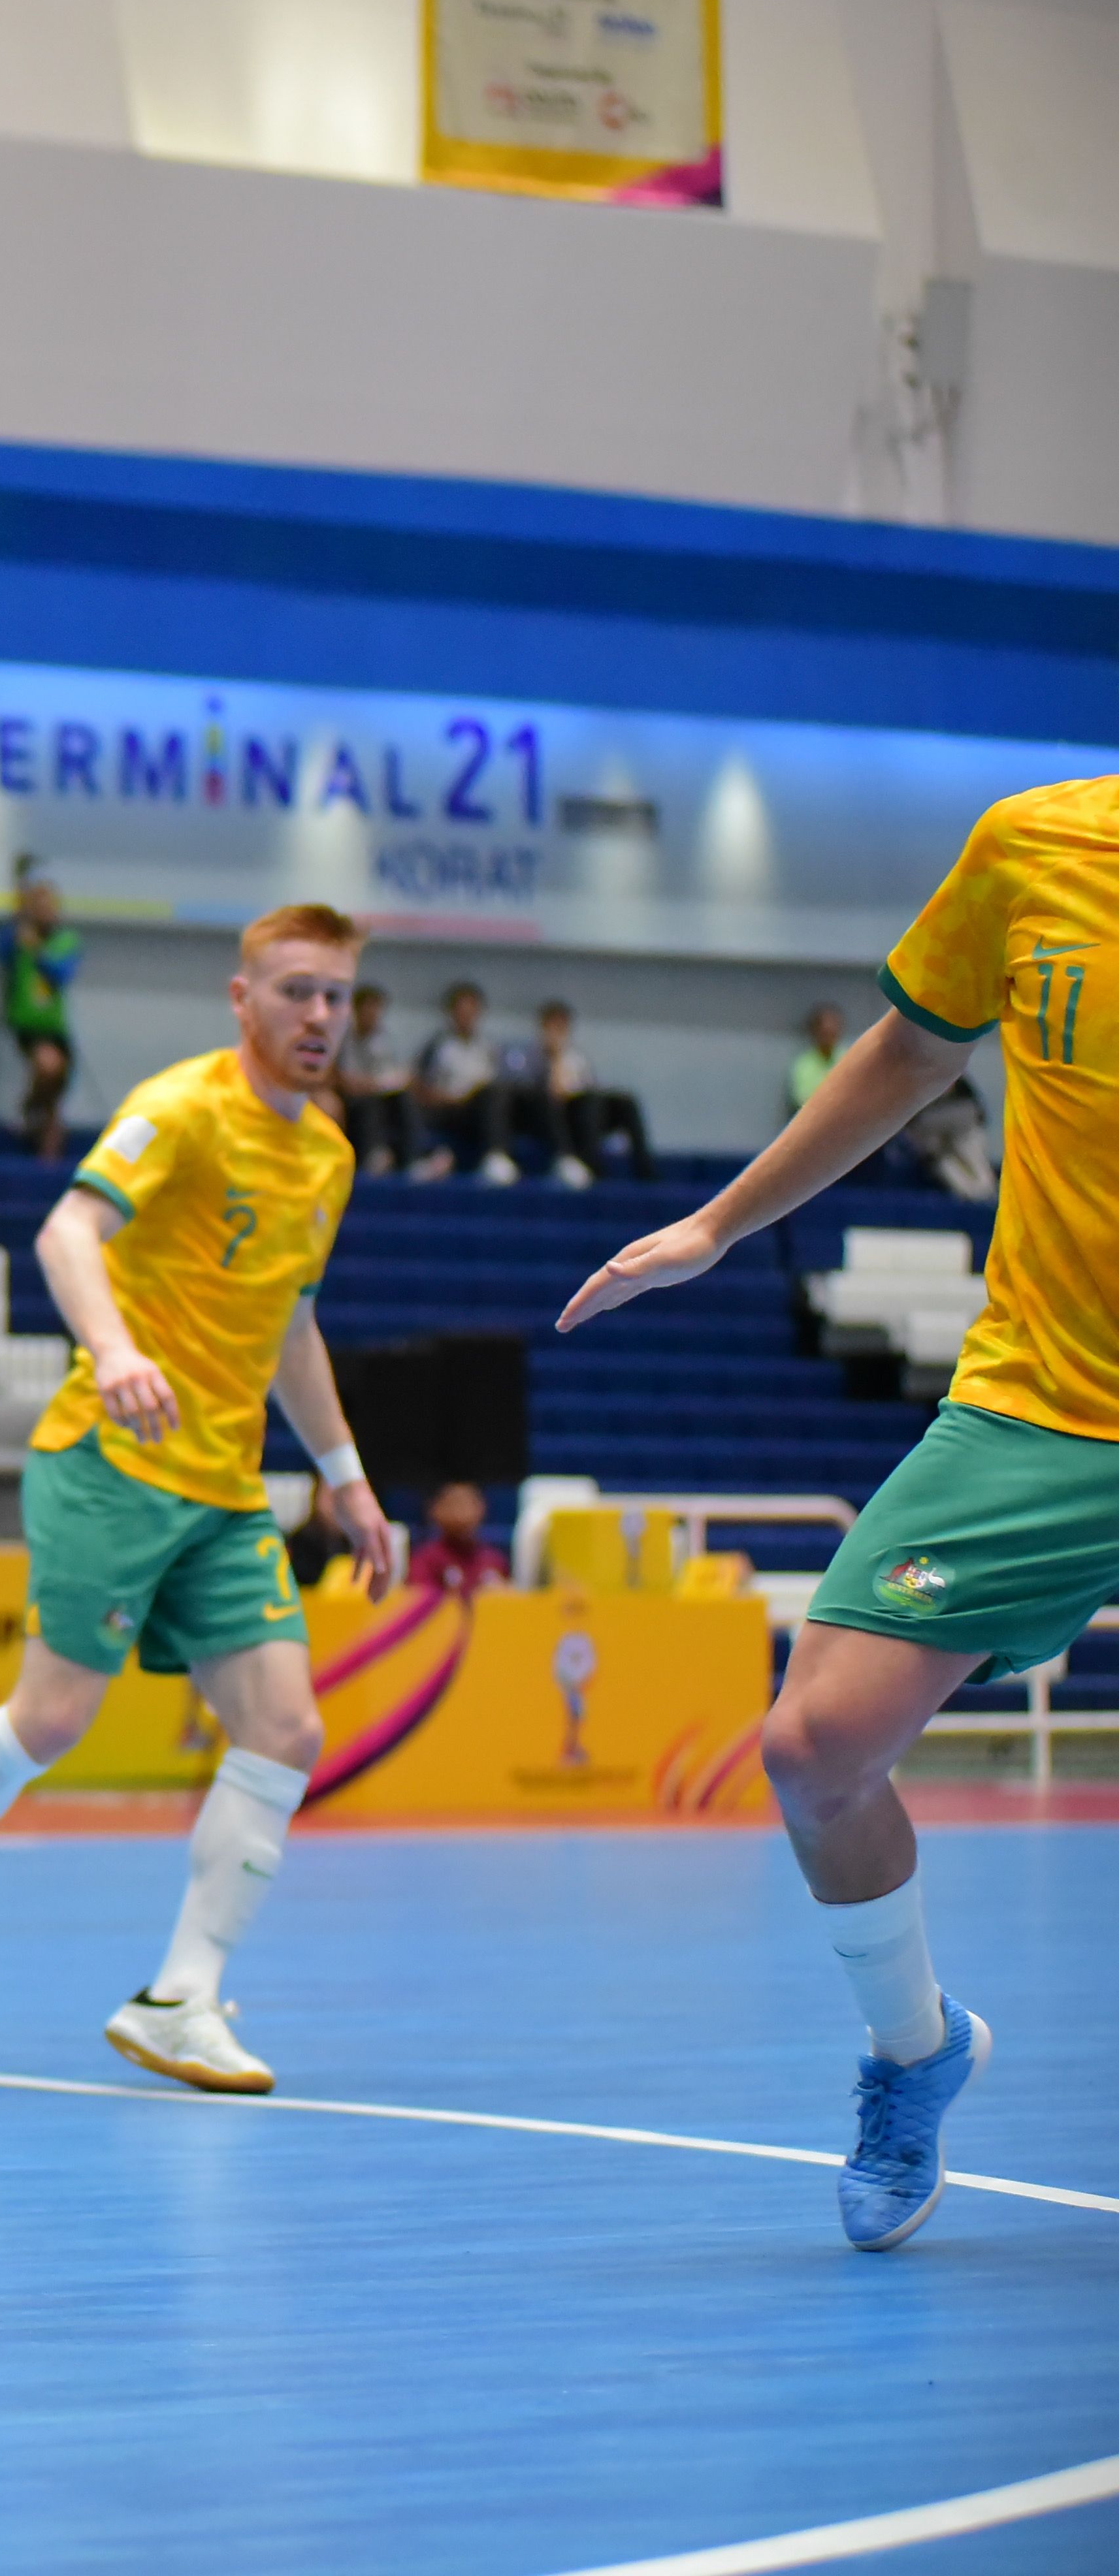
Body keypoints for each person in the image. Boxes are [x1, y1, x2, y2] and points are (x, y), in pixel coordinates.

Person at [560, 772, 1117, 2251]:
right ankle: (913, 2047)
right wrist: (714, 1221)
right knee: (813, 1744)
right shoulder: (1034, 844)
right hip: (1045, 1408)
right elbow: (910, 1051)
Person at [0, 904, 400, 2097]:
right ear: (243, 1000)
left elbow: (291, 1324)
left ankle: (182, 1997)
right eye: (296, 991)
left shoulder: (327, 1157)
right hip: (111, 1462)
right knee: (52, 1722)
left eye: (336, 995)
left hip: (224, 1488)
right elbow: (67, 1229)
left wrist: (345, 1476)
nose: (319, 1017)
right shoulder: (178, 1109)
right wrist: (116, 1349)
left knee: (286, 1728)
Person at [0, 874, 84, 1162]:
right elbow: (0, 952)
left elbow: (60, 973)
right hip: (28, 1025)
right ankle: (29, 1109)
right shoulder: (18, 936)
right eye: (38, 905)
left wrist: (36, 949)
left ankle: (43, 1146)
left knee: (55, 1104)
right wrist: (19, 918)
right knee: (48, 1066)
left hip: (55, 1026)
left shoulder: (65, 940)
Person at [524, 1002, 651, 1186]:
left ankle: (645, 1168)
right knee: (586, 1103)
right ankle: (592, 1163)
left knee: (624, 1101)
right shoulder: (532, 1059)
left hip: (584, 1110)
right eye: (552, 1026)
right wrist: (554, 1059)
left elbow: (589, 1085)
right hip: (552, 1116)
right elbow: (543, 1095)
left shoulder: (578, 1058)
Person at [415, 980, 523, 1184]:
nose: (466, 1016)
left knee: (498, 1094)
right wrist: (451, 1099)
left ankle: (497, 1156)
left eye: (471, 1010)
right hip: (448, 1109)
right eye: (461, 1010)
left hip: (479, 1109)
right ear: (451, 1012)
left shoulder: (488, 1047)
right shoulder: (437, 1046)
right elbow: (420, 1087)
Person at [332, 983, 417, 1175]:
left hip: (382, 1095)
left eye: (376, 1010)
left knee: (403, 1100)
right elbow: (344, 1080)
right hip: (354, 1100)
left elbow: (400, 1075)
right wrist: (372, 1084)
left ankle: (411, 1160)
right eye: (367, 1009)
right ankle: (372, 1156)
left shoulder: (386, 1040)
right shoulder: (344, 1040)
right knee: (368, 1105)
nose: (372, 1015)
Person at [403, 1479, 510, 1597]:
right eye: (453, 1504)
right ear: (435, 1510)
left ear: (482, 1508)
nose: (461, 1513)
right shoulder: (424, 1559)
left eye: (468, 1505)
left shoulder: (493, 1560)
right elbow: (416, 1599)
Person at [788, 1002, 847, 1112]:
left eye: (833, 1033)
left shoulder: (849, 1058)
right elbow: (803, 1100)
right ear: (815, 1032)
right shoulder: (804, 1065)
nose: (829, 1038)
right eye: (825, 1033)